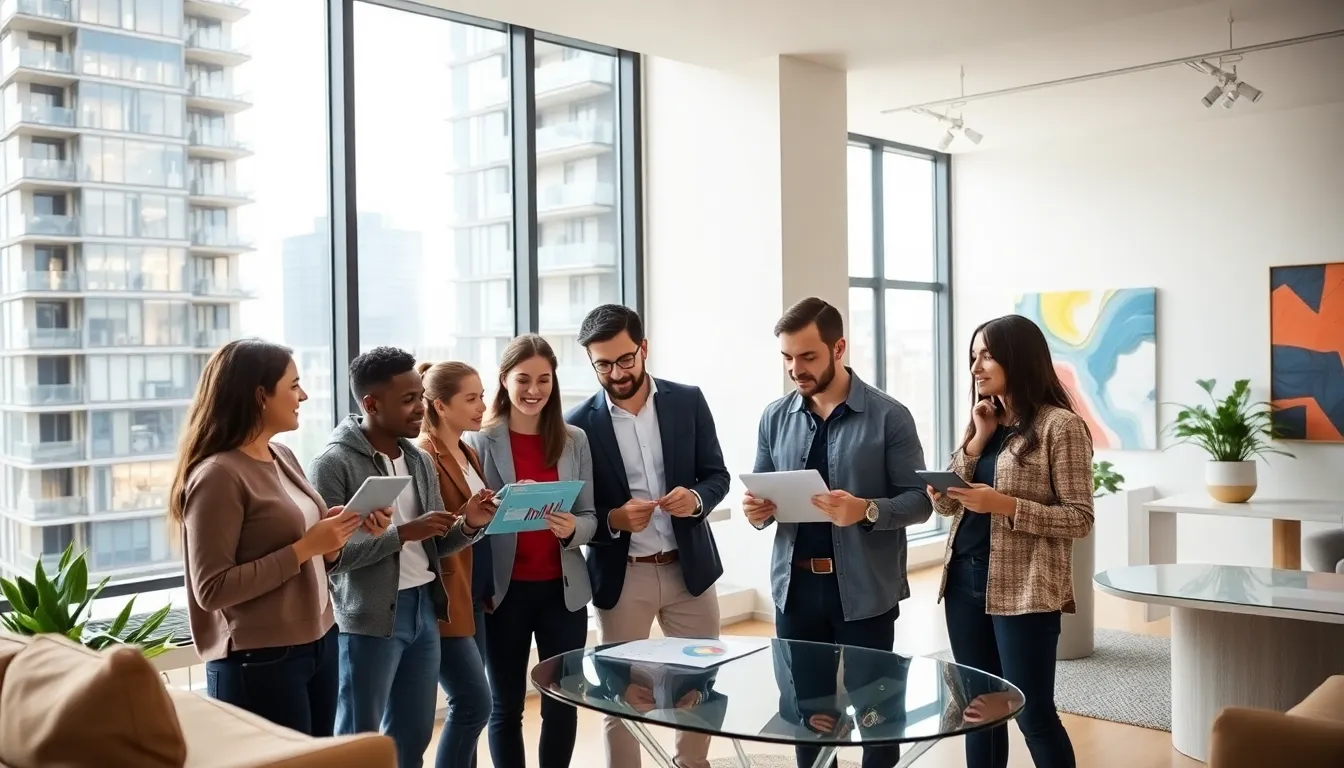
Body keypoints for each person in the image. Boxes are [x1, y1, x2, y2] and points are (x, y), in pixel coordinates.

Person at [742, 296, 932, 768]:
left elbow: (921, 501)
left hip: (866, 592)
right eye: (787, 357)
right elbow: (763, 496)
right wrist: (756, 511)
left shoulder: (890, 416)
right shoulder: (773, 417)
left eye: (807, 356)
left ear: (839, 347)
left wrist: (865, 510)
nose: (795, 368)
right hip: (797, 591)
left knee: (876, 717)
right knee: (807, 718)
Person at [172, 339, 385, 735]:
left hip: (319, 641)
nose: (303, 395)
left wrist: (339, 533)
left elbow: (313, 554)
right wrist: (306, 547)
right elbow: (212, 588)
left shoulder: (281, 455)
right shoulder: (217, 475)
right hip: (260, 660)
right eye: (293, 386)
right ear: (260, 396)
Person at [308, 347, 494, 768]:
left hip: (424, 611)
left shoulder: (417, 459)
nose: (420, 409)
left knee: (412, 735)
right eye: (408, 399)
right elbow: (332, 559)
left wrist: (468, 524)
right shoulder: (332, 464)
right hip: (370, 619)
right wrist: (402, 534)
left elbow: (433, 547)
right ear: (371, 404)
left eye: (421, 397)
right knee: (358, 740)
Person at [565, 304, 730, 768]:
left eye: (624, 360)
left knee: (701, 683)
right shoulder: (577, 425)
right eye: (602, 364)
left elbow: (717, 475)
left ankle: (691, 763)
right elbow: (580, 508)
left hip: (689, 570)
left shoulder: (688, 400)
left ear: (644, 349)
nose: (615, 373)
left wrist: (696, 500)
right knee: (620, 696)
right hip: (623, 577)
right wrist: (615, 519)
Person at [929, 314, 1093, 768]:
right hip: (962, 582)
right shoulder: (985, 421)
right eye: (973, 356)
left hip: (1024, 590)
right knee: (978, 712)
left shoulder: (1062, 427)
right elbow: (945, 507)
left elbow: (1079, 519)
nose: (976, 366)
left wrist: (1003, 504)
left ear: (1017, 359)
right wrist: (977, 441)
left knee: (1033, 714)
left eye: (987, 355)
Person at [465, 334, 597, 768]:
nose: (533, 390)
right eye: (523, 379)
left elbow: (591, 515)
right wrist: (501, 503)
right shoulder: (479, 442)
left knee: (562, 701)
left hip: (563, 593)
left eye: (544, 380)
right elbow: (467, 521)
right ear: (503, 381)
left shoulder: (574, 439)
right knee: (505, 706)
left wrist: (572, 528)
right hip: (504, 595)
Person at [415, 360, 493, 768]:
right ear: (441, 406)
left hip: (473, 591)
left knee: (472, 708)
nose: (483, 405)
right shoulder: (425, 455)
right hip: (445, 596)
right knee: (473, 704)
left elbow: (474, 517)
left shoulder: (465, 449)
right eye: (472, 398)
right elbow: (434, 530)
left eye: (481, 396)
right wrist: (471, 516)